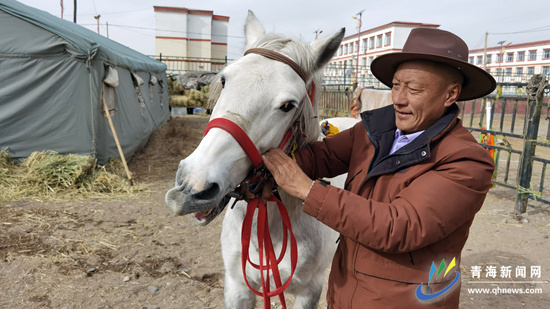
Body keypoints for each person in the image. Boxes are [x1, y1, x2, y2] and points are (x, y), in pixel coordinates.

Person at [263, 28, 496, 308]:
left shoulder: (466, 161)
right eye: (396, 85)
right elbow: (320, 157)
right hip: (345, 292)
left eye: (414, 89)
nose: (398, 98)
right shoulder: (376, 130)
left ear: (450, 94)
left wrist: (307, 190)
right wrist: (262, 169)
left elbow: (398, 226)